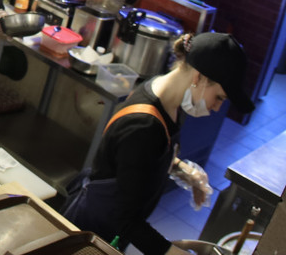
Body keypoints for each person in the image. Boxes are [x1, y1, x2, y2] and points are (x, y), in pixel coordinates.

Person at [63, 32, 255, 255]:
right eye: (219, 97)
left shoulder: (168, 100)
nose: (216, 108)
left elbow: (146, 158)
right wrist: (171, 252)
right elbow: (125, 218)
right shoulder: (143, 126)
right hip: (93, 229)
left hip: (114, 226)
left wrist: (183, 170)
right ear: (199, 78)